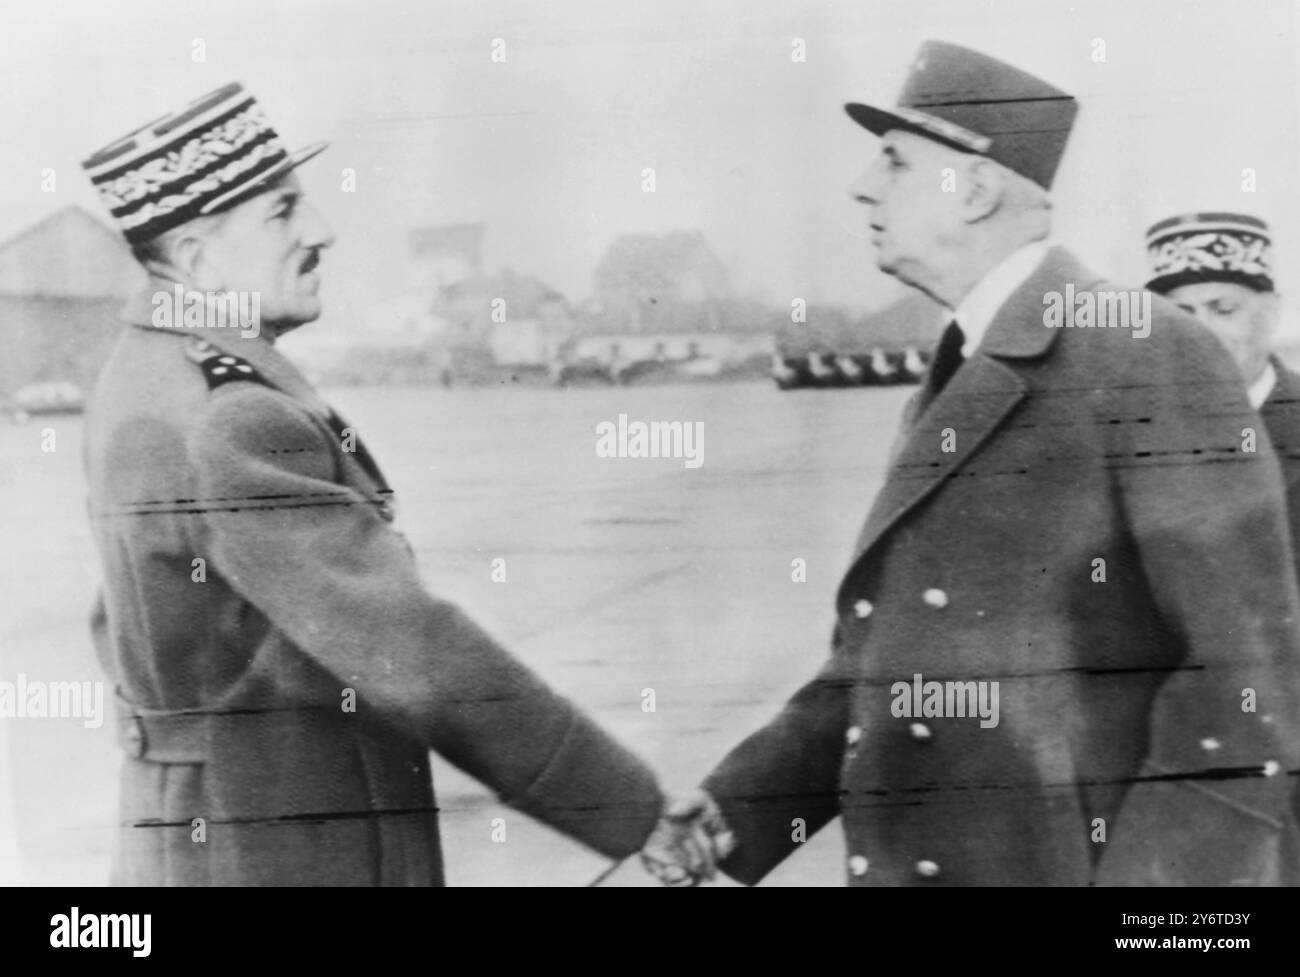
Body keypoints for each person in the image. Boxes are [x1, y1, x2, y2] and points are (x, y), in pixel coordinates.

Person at [640, 41, 1300, 886]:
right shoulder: (962, 371)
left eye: (894, 162)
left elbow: (1241, 692)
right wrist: (741, 807)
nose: (863, 186)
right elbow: (888, 664)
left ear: (977, 187)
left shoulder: (1145, 352)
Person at [81, 82, 664, 885]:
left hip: (188, 834)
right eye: (283, 212)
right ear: (194, 257)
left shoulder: (139, 377)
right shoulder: (234, 419)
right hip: (284, 846)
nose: (321, 231)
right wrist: (630, 807)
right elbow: (412, 651)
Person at [1145, 211, 1300, 882]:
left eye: (1223, 307)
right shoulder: (1133, 449)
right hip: (1174, 783)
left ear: (1272, 310)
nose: (1200, 327)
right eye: (1180, 310)